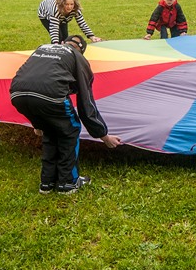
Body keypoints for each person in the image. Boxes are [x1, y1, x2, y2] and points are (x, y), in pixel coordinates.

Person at [10, 35, 122, 194]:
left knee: (50, 129)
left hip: (17, 94)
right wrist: (104, 136)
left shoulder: (43, 47)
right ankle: (68, 183)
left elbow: (33, 82)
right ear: (81, 51)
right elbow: (86, 102)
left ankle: (47, 183)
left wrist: (37, 123)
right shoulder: (78, 58)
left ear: (63, 43)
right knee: (70, 130)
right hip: (51, 95)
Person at [37, 0, 102, 45]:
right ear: (62, 4)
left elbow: (82, 23)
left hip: (63, 16)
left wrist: (92, 37)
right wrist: (55, 44)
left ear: (74, 3)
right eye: (66, 4)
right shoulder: (56, 10)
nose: (69, 7)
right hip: (45, 14)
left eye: (71, 4)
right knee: (59, 38)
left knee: (65, 38)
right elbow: (54, 28)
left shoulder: (76, 9)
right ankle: (54, 53)